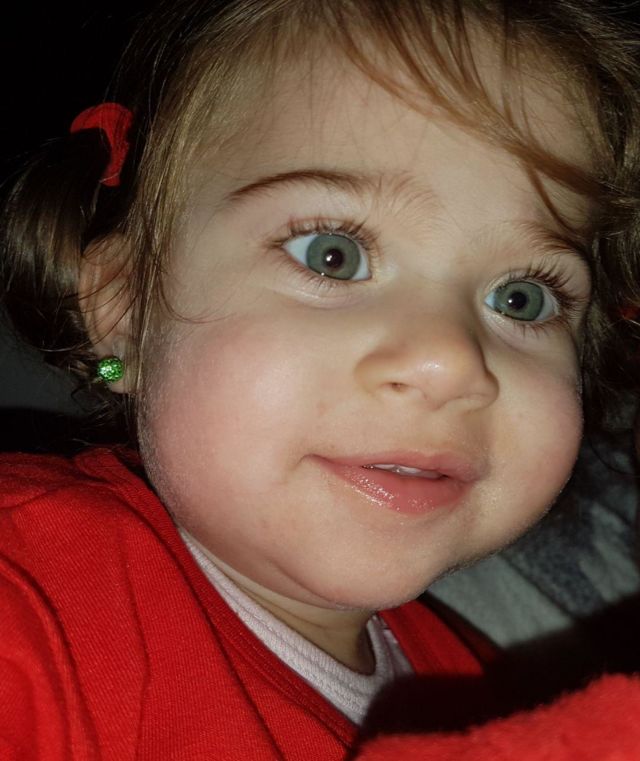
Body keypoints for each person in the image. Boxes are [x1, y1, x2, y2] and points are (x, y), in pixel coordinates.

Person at [1, 1, 640, 758]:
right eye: (333, 254)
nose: (449, 363)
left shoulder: (475, 688)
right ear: (125, 306)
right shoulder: (30, 592)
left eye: (521, 298)